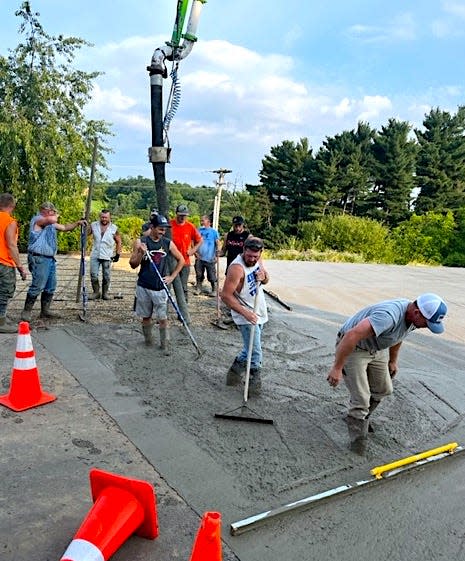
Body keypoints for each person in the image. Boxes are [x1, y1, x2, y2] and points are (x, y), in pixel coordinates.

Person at [326, 293, 448, 454]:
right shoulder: (388, 316)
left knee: (384, 389)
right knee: (361, 399)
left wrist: (392, 361)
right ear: (417, 313)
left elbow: (398, 336)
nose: (427, 327)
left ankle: (359, 418)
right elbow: (351, 335)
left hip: (377, 348)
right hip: (354, 348)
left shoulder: (413, 319)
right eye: (427, 323)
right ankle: (357, 446)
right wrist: (337, 367)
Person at [21, 202, 86, 322]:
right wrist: (55, 214)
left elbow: (65, 228)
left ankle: (45, 311)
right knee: (38, 285)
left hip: (49, 258)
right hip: (39, 258)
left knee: (51, 286)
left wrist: (77, 223)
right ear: (45, 210)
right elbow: (52, 219)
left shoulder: (50, 223)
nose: (54, 213)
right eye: (52, 211)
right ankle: (26, 312)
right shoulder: (38, 220)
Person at [220, 236, 270, 395]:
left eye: (256, 256)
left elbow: (266, 279)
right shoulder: (236, 268)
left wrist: (264, 278)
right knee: (255, 352)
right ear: (244, 251)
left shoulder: (258, 261)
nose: (252, 259)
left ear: (261, 253)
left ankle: (234, 373)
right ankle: (254, 386)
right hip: (245, 314)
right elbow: (225, 295)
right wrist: (246, 313)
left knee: (249, 348)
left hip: (259, 311)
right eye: (249, 256)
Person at [129, 213, 184, 353]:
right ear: (152, 227)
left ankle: (164, 344)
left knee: (163, 317)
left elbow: (181, 260)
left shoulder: (167, 243)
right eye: (160, 228)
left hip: (160, 287)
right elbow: (133, 264)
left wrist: (172, 276)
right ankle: (148, 341)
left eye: (164, 229)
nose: (162, 232)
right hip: (143, 285)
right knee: (146, 316)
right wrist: (141, 253)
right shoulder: (141, 242)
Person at [0, 193, 27, 333]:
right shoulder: (10, 222)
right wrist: (20, 267)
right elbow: (11, 245)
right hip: (4, 263)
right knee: (4, 292)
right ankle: (1, 322)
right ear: (12, 205)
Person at [170, 204, 202, 302]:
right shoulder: (169, 224)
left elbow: (200, 240)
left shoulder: (190, 226)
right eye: (180, 215)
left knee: (183, 286)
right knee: (167, 283)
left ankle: (183, 307)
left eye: (184, 215)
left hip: (184, 261)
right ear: (176, 214)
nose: (182, 217)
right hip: (171, 260)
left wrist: (193, 250)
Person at [88, 209, 122, 300]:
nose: (104, 219)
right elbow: (86, 234)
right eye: (102, 217)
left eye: (106, 217)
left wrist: (117, 254)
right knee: (93, 274)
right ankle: (96, 292)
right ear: (100, 216)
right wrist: (84, 225)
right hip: (95, 253)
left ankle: (105, 294)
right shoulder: (94, 225)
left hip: (107, 255)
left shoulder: (114, 228)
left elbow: (119, 241)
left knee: (106, 276)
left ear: (110, 217)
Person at [194, 215, 220, 297]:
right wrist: (195, 252)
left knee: (211, 275)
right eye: (201, 221)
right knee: (199, 274)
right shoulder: (198, 230)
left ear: (208, 222)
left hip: (210, 258)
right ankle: (198, 288)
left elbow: (217, 243)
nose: (201, 222)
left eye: (203, 220)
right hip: (199, 257)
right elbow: (193, 241)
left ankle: (214, 289)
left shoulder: (214, 232)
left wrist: (216, 255)